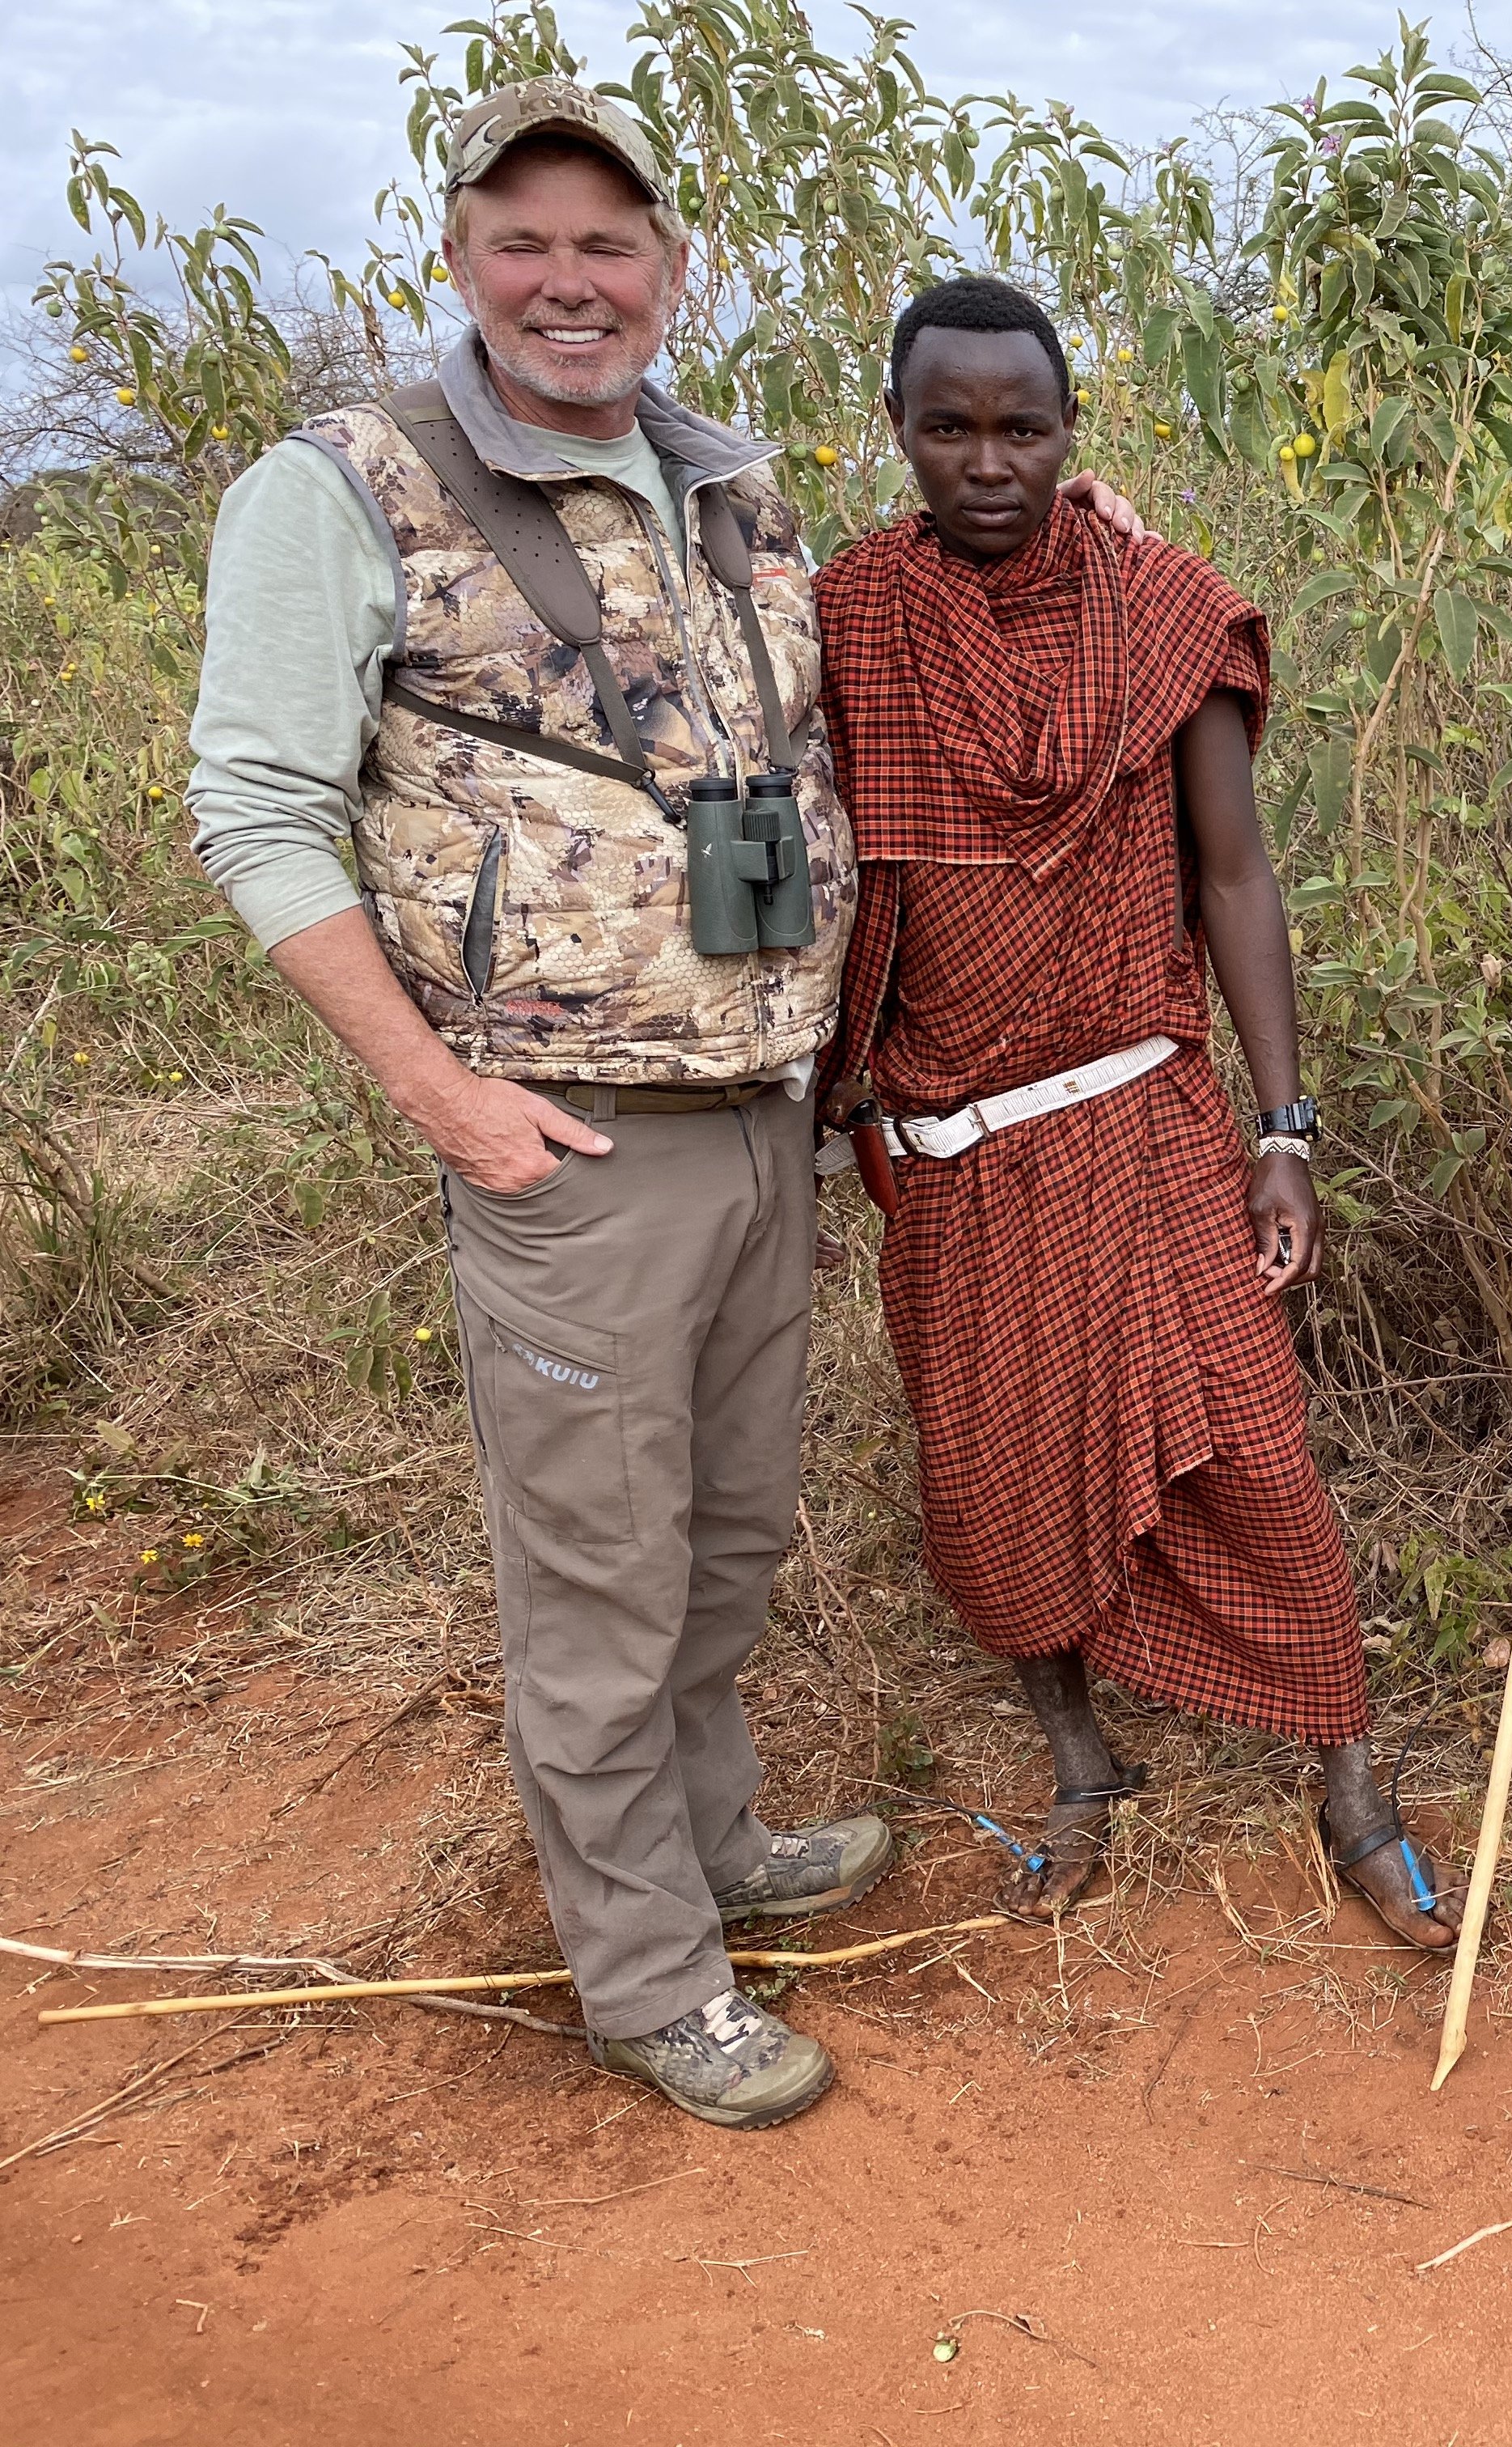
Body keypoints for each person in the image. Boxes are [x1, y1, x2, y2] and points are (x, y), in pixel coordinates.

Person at [185, 79, 883, 2131]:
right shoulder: (347, 487)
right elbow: (257, 811)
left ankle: (715, 1846)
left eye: (607, 246)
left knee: (730, 1538)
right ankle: (650, 1976)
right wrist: (443, 1101)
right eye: (525, 244)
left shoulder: (732, 485)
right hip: (562, 1141)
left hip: (760, 1116)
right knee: (597, 1571)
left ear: (674, 271)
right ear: (458, 258)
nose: (568, 286)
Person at [812, 276, 1454, 1949]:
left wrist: (1285, 1125)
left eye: (1024, 427)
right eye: (947, 428)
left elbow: (1234, 875)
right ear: (898, 433)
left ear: (1072, 433)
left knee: (1256, 1458)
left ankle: (1352, 1779)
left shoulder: (1165, 608)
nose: (988, 462)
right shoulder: (849, 620)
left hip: (1141, 1114)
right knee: (990, 1482)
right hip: (950, 1150)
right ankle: (1084, 1762)